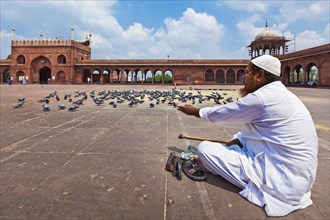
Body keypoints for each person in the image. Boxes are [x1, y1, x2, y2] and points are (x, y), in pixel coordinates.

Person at [177, 54, 318, 217]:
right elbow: (258, 132)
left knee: (205, 149)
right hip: (300, 179)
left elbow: (226, 112)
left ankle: (207, 165)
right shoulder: (284, 94)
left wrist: (196, 111)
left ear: (259, 76)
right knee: (239, 136)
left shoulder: (262, 97)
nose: (245, 77)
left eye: (248, 73)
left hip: (280, 182)